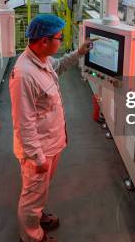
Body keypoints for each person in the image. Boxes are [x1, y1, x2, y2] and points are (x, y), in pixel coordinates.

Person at [9, 14, 94, 242]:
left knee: (40, 191)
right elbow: (23, 124)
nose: (61, 40)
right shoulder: (24, 75)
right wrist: (37, 158)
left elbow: (58, 66)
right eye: (59, 37)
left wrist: (79, 53)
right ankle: (32, 236)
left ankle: (37, 215)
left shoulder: (42, 60)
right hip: (39, 150)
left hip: (52, 143)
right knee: (32, 195)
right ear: (44, 41)